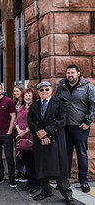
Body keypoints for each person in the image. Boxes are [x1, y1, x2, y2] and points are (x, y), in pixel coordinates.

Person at [28, 82, 74, 205]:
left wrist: (46, 132)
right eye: (41, 90)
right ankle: (46, 190)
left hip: (56, 140)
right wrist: (39, 133)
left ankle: (67, 194)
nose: (44, 92)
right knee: (41, 167)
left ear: (51, 90)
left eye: (46, 89)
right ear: (38, 92)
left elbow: (61, 121)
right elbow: (30, 122)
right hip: (40, 140)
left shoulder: (59, 104)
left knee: (60, 168)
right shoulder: (33, 106)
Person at [56, 64, 95, 193]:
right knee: (65, 155)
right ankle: (64, 181)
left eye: (72, 73)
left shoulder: (88, 87)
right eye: (68, 73)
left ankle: (84, 181)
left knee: (82, 154)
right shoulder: (61, 87)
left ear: (78, 73)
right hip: (65, 127)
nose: (70, 75)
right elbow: (56, 104)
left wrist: (87, 121)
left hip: (80, 127)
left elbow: (93, 106)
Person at [16, 88, 40, 194]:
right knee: (26, 162)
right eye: (26, 95)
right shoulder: (21, 107)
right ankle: (29, 183)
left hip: (30, 137)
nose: (28, 97)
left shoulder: (34, 107)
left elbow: (34, 122)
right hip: (21, 138)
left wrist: (23, 132)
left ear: (33, 97)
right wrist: (18, 130)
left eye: (30, 95)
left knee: (32, 163)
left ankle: (35, 184)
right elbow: (16, 121)